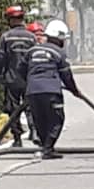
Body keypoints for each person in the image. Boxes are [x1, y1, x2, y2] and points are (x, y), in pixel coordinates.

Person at [20, 19, 82, 160]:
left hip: (32, 92)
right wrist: (75, 91)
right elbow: (66, 75)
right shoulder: (58, 53)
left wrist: (31, 83)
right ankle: (47, 149)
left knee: (40, 120)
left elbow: (21, 70)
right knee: (57, 120)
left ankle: (46, 147)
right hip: (51, 91)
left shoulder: (32, 51)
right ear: (59, 39)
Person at [0, 5, 37, 148]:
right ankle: (34, 131)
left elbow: (0, 59)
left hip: (12, 79)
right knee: (30, 106)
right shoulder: (32, 37)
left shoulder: (6, 37)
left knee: (13, 109)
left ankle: (17, 138)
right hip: (28, 78)